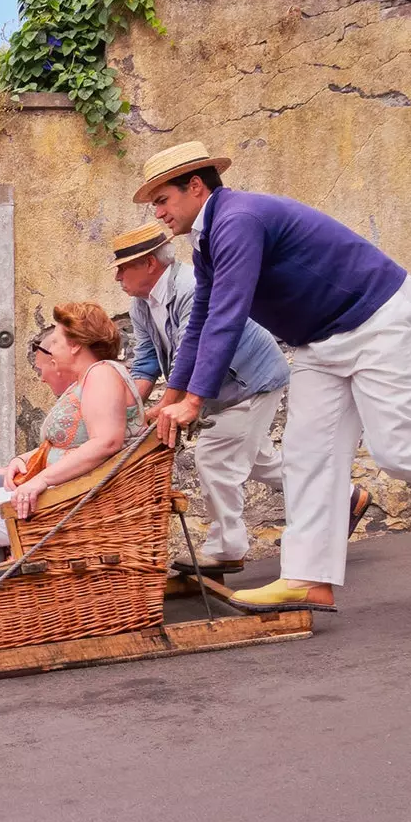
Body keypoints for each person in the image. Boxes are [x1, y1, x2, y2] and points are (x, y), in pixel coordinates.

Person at [135, 141, 411, 611]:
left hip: (380, 319)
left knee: (400, 448)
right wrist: (172, 394)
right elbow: (202, 320)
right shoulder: (209, 237)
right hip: (320, 342)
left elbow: (227, 317)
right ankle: (306, 577)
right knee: (306, 454)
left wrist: (193, 401)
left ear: (195, 186)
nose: (157, 213)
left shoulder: (239, 219)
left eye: (162, 199)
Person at [111, 222, 372, 570]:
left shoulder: (189, 287)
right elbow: (145, 362)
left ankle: (226, 548)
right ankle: (345, 498)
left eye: (122, 267)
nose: (117, 277)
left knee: (215, 459)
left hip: (250, 380)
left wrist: (167, 404)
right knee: (261, 462)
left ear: (149, 263)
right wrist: (128, 408)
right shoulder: (141, 307)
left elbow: (197, 352)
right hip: (223, 387)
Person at [0, 302, 145, 591]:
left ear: (74, 345)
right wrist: (23, 461)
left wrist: (40, 481)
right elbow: (71, 441)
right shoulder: (92, 378)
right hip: (70, 494)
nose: (52, 348)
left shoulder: (102, 374)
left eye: (57, 340)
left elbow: (106, 441)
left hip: (82, 503)